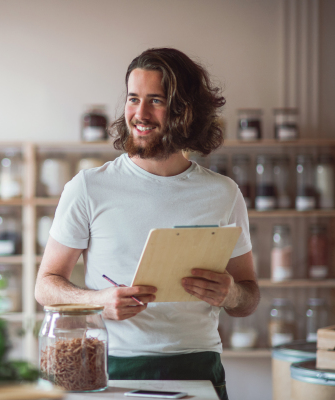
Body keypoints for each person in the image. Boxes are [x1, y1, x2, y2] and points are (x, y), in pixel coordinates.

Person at [34, 48, 260, 400]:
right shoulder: (88, 187)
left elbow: (248, 297)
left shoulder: (223, 193)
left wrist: (230, 293)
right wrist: (96, 302)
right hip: (109, 365)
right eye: (133, 99)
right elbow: (45, 286)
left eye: (156, 100)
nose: (140, 114)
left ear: (185, 110)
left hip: (197, 364)